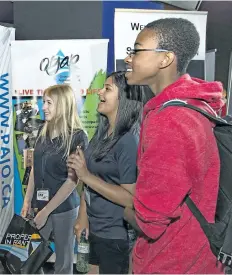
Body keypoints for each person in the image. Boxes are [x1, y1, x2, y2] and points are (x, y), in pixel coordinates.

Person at [123, 18, 225, 274]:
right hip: (196, 257)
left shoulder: (169, 120)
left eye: (136, 50)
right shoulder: (193, 106)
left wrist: (127, 211)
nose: (129, 58)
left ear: (165, 59)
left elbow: (151, 222)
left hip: (172, 262)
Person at [67, 72, 142, 274]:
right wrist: (83, 217)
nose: (100, 92)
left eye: (107, 89)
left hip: (115, 237)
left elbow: (130, 199)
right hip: (94, 230)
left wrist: (86, 175)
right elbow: (88, 180)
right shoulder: (100, 135)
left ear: (124, 98)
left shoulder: (128, 141)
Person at [21, 84, 88, 274]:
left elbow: (72, 181)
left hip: (63, 209)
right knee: (31, 259)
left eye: (49, 102)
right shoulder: (43, 132)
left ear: (63, 104)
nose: (43, 107)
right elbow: (35, 168)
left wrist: (46, 212)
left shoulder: (77, 137)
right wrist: (27, 200)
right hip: (38, 207)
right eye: (44, 102)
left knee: (63, 263)